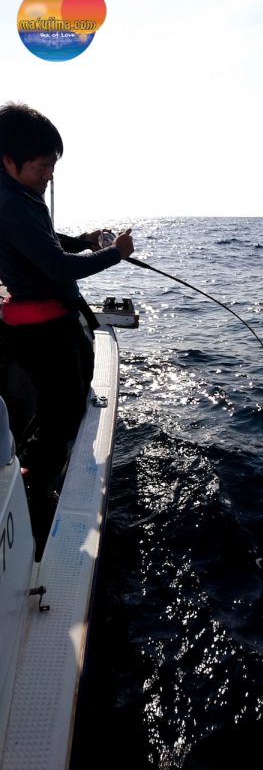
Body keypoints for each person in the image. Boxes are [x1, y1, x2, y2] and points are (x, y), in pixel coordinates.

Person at [0, 101, 134, 539]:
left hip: (46, 321)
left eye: (52, 166)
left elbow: (44, 242)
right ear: (9, 161)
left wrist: (83, 240)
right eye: (42, 166)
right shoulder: (12, 204)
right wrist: (112, 254)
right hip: (42, 328)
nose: (49, 175)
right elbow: (56, 268)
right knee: (62, 407)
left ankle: (33, 466)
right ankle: (34, 490)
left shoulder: (18, 197)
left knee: (60, 399)